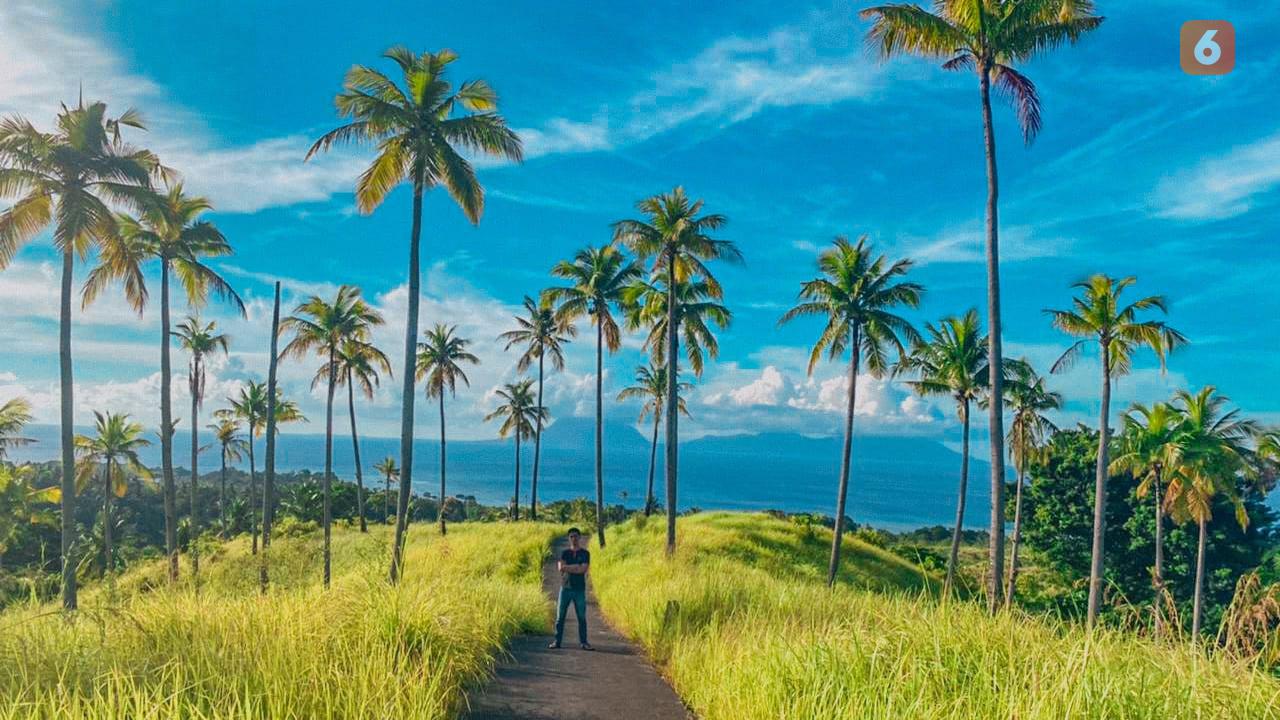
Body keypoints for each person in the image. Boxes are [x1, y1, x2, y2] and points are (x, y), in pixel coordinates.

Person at [549, 527, 593, 650]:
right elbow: (560, 568)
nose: (573, 538)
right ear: (569, 538)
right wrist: (576, 566)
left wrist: (568, 567)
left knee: (582, 617)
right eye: (571, 536)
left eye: (575, 536)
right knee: (560, 617)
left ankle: (584, 642)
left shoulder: (585, 553)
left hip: (579, 589)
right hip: (565, 588)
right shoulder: (565, 553)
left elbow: (583, 569)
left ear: (580, 537)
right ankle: (557, 642)